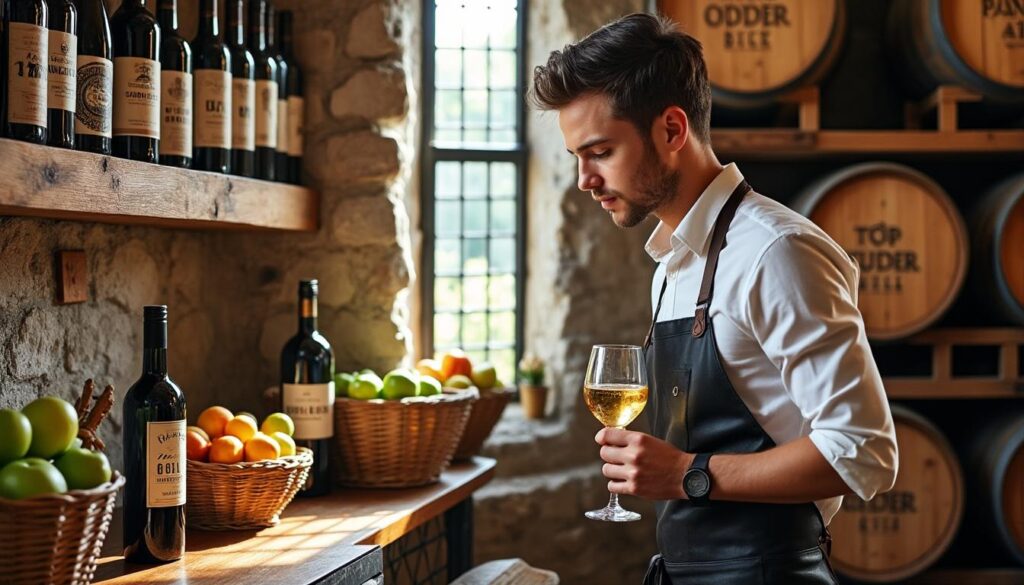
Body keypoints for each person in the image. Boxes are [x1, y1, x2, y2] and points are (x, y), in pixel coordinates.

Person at [530, 13, 898, 585]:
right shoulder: (672, 264)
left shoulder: (777, 251)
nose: (584, 179)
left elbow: (863, 452)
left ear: (672, 131)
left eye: (599, 151)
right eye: (577, 156)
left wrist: (685, 474)